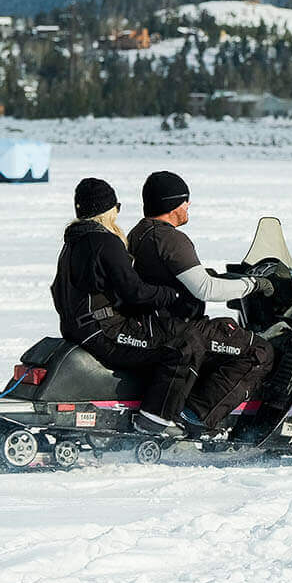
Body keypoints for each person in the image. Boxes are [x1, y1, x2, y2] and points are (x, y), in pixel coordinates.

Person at [50, 177, 203, 438]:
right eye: (116, 207)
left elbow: (59, 290)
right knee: (181, 346)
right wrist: (171, 294)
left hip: (79, 329)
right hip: (104, 331)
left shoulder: (73, 242)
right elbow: (135, 292)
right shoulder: (105, 243)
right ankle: (155, 419)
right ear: (108, 210)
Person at [127, 171, 277, 435]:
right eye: (185, 201)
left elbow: (174, 276)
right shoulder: (170, 239)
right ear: (172, 204)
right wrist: (253, 284)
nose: (188, 207)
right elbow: (205, 288)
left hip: (152, 323)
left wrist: (216, 275)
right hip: (178, 328)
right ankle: (195, 418)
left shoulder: (139, 232)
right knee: (259, 352)